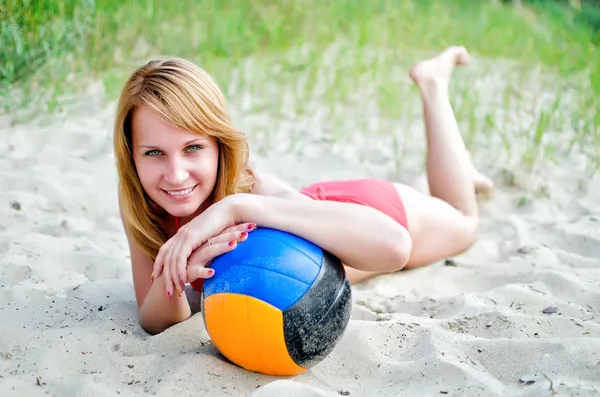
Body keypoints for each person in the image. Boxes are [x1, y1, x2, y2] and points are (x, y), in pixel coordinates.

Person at [114, 46, 493, 334]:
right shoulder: (143, 198)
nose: (175, 175)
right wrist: (173, 278)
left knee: (464, 219)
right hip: (326, 211)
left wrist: (233, 207)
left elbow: (394, 247)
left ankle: (433, 84)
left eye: (193, 148)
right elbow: (154, 317)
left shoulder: (251, 187)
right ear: (133, 155)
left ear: (219, 145)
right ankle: (431, 178)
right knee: (436, 197)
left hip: (370, 212)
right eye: (154, 153)